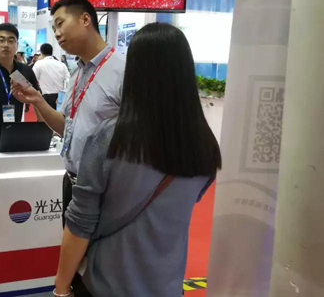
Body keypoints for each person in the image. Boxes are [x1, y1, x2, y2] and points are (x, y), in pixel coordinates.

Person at [53, 23, 221, 297]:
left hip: (107, 282)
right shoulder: (205, 144)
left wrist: (61, 287)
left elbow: (80, 224)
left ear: (134, 72)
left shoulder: (109, 138)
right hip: (167, 284)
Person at [11, 0, 125, 292]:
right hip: (72, 181)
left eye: (60, 24)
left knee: (101, 270)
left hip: (105, 189)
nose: (57, 33)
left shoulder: (123, 71)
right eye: (54, 27)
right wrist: (38, 101)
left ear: (86, 19)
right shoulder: (76, 74)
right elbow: (67, 128)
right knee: (77, 268)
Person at [33, 43, 70, 110]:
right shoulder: (61, 65)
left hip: (46, 97)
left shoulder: (39, 64)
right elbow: (68, 80)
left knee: (45, 116)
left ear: (41, 52)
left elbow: (33, 79)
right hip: (60, 97)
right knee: (59, 115)